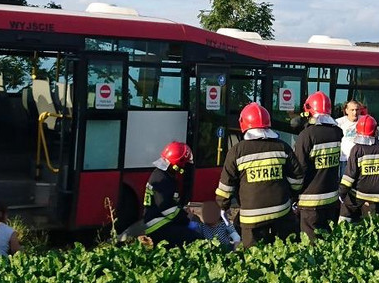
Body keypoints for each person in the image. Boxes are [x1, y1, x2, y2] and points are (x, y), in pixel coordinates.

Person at [216, 102, 301, 248]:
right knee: (285, 252)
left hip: (252, 217)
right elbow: (297, 179)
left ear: (244, 124)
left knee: (253, 259)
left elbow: (226, 187)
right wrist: (292, 196)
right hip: (281, 212)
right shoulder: (282, 147)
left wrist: (223, 205)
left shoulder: (237, 151)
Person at [291, 91, 344, 241]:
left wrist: (293, 195)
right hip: (331, 198)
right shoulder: (337, 132)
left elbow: (299, 168)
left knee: (311, 245)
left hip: (310, 201)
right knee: (327, 241)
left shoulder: (307, 135)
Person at [339, 115, 379, 220]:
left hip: (360, 194)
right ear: (375, 130)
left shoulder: (357, 149)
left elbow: (349, 176)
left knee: (346, 210)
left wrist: (342, 192)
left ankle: (342, 230)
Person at [140, 141, 201, 247]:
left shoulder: (163, 175)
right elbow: (169, 211)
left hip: (161, 223)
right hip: (158, 226)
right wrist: (186, 220)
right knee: (197, 240)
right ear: (177, 164)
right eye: (185, 164)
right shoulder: (162, 179)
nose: (185, 167)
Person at [336, 100, 362, 168]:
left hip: (360, 159)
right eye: (352, 110)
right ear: (346, 110)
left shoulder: (364, 121)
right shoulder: (339, 122)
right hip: (345, 159)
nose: (355, 112)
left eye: (357, 110)